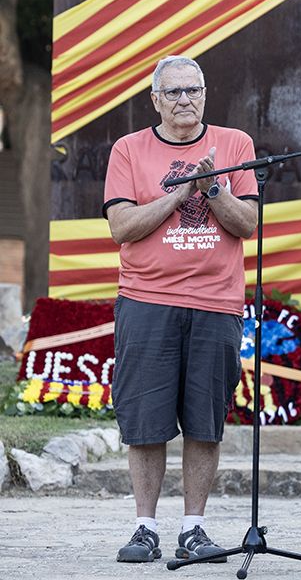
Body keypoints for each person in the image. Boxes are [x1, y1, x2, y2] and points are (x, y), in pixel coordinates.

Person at [103, 56, 259, 563]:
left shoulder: (236, 145)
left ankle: (194, 528)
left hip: (216, 303)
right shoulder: (129, 149)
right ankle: (144, 528)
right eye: (173, 92)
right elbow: (122, 228)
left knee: (204, 421)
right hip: (147, 300)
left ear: (206, 94)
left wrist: (214, 186)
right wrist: (182, 191)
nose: (185, 99)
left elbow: (247, 224)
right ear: (155, 100)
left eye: (193, 90)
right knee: (145, 422)